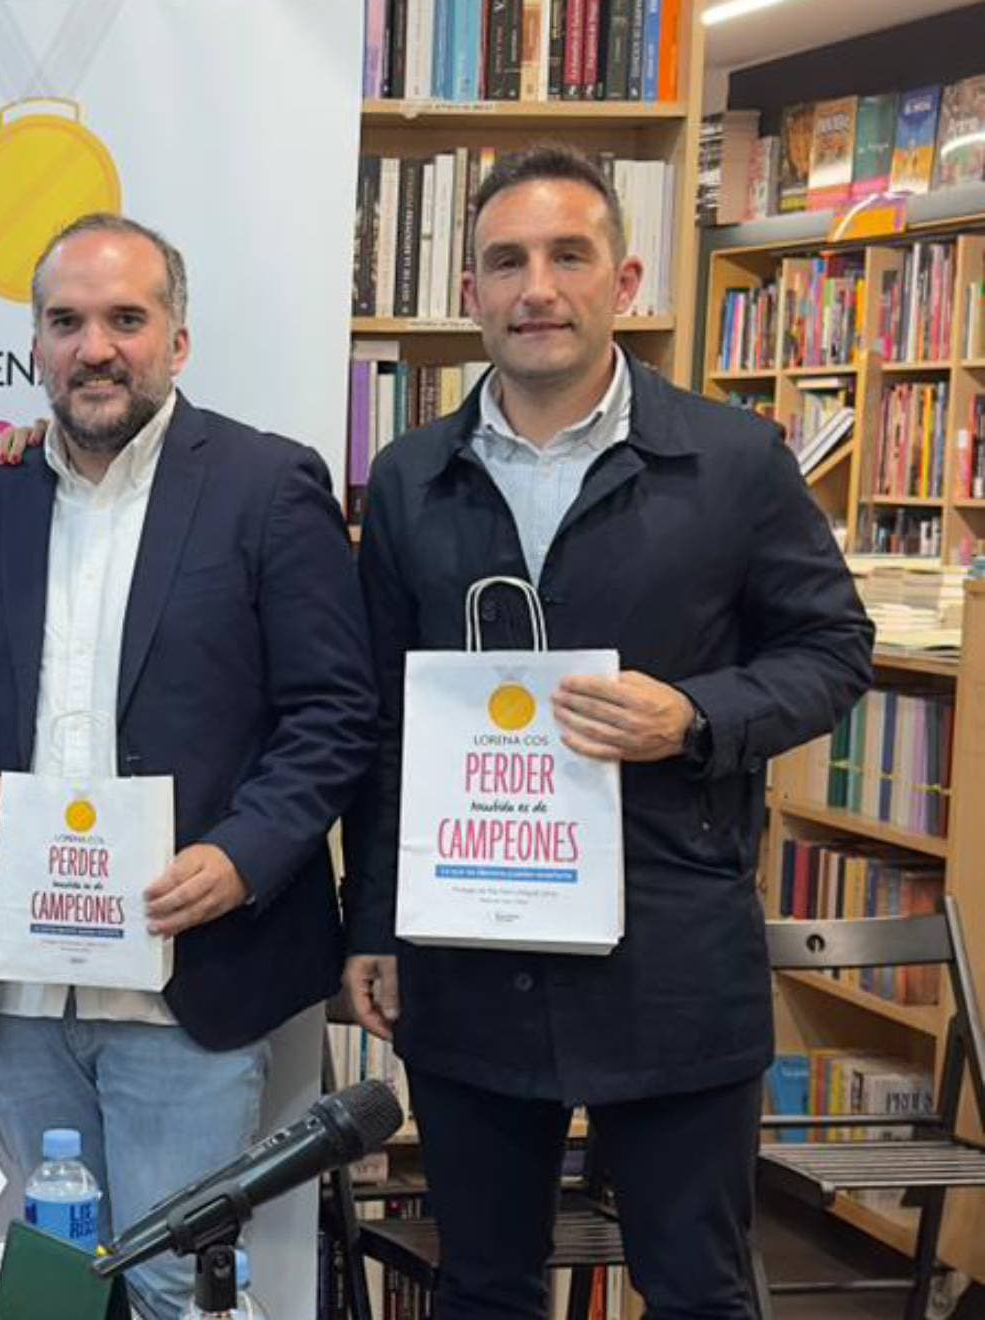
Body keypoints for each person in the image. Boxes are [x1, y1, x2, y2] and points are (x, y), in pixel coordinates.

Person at [343, 144, 874, 1320]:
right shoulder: (412, 475)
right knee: (484, 1287)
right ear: (470, 291)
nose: (536, 287)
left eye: (567, 256)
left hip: (672, 958)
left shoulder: (732, 460)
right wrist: (374, 920)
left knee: (697, 1289)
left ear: (623, 279)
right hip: (472, 955)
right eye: (505, 262)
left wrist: (696, 715)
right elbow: (383, 723)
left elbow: (834, 650)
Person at [0, 213, 378, 1318]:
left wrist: (243, 858)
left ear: (179, 340)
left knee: (174, 1283)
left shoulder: (266, 485)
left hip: (189, 973)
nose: (94, 347)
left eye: (125, 319)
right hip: (22, 979)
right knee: (61, 1283)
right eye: (66, 322)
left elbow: (335, 712)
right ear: (35, 344)